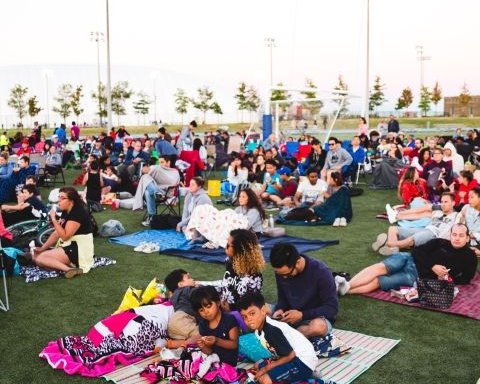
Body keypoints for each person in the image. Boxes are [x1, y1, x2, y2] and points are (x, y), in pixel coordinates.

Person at [337, 224, 478, 295]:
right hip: (407, 259)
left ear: (467, 238)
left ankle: (344, 290)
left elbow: (466, 279)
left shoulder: (470, 257)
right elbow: (417, 251)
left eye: (461, 235)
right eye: (454, 234)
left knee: (380, 281)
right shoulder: (440, 242)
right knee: (379, 268)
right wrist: (433, 266)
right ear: (450, 235)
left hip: (414, 276)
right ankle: (348, 284)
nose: (457, 238)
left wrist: (447, 278)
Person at [238, 292, 317, 384]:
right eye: (244, 317)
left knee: (265, 380)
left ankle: (308, 377)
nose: (248, 319)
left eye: (252, 313)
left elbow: (290, 355)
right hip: (289, 357)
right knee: (257, 365)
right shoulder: (259, 329)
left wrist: (267, 368)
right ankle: (299, 376)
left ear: (263, 310)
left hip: (302, 362)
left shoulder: (271, 330)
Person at [269, 243, 338, 338]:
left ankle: (286, 337)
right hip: (289, 315)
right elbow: (283, 298)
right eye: (280, 274)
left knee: (318, 327)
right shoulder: (282, 272)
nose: (284, 278)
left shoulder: (321, 272)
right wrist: (280, 309)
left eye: (288, 274)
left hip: (313, 317)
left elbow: (332, 308)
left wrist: (302, 315)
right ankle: (288, 335)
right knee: (260, 309)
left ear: (297, 262)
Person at [31, 187, 94, 278]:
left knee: (40, 258)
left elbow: (65, 236)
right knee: (35, 257)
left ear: (71, 201)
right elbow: (57, 233)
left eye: (62, 198)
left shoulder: (77, 213)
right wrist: (42, 249)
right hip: (70, 245)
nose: (59, 201)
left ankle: (69, 270)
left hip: (79, 248)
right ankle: (66, 265)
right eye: (59, 197)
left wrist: (53, 219)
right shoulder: (66, 211)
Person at [373, 192, 460, 255]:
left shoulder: (457, 216)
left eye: (446, 202)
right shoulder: (437, 212)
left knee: (410, 240)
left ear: (453, 203)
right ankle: (393, 249)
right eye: (442, 202)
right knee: (392, 229)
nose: (443, 204)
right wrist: (399, 215)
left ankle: (388, 244)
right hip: (424, 229)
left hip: (434, 235)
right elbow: (419, 214)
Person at [190, 286, 239, 367]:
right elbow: (209, 351)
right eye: (201, 310)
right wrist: (203, 346)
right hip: (214, 362)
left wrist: (216, 341)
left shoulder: (229, 320)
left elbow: (234, 344)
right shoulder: (203, 325)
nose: (206, 312)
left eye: (208, 307)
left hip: (229, 364)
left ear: (218, 302)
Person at [220, 229, 264, 312]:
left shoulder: (254, 277)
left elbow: (250, 306)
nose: (225, 247)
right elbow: (227, 284)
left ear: (239, 249)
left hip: (240, 314)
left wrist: (231, 310)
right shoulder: (229, 261)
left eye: (228, 245)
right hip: (224, 305)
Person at [137, 156, 181, 226]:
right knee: (145, 177)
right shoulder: (157, 168)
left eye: (162, 162)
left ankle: (152, 217)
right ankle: (156, 193)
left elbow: (174, 182)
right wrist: (146, 170)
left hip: (167, 193)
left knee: (148, 192)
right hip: (157, 192)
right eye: (159, 162)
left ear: (168, 162)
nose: (160, 164)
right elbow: (148, 171)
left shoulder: (174, 172)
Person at [164, 269, 201, 348]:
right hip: (183, 320)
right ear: (180, 284)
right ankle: (178, 344)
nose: (193, 279)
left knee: (194, 337)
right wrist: (199, 289)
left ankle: (178, 342)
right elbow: (200, 296)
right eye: (188, 277)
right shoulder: (187, 289)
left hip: (174, 325)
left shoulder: (175, 295)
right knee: (205, 335)